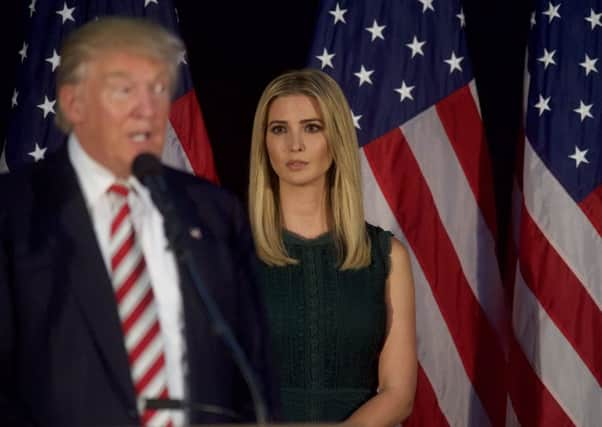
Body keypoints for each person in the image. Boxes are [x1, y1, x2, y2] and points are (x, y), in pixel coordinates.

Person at [0, 17, 277, 426]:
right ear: (74, 103)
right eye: (124, 89)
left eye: (159, 89)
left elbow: (254, 373)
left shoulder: (214, 212)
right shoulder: (13, 211)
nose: (147, 109)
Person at [248, 69, 417, 425]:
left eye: (312, 127)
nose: (294, 144)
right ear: (264, 142)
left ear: (336, 137)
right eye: (279, 129)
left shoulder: (386, 257)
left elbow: (398, 394)